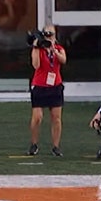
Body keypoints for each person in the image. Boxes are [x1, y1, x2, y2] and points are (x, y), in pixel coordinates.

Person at [28, 25, 67, 156]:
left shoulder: (59, 49)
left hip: (55, 86)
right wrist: (36, 47)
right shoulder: (38, 49)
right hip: (39, 85)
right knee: (37, 117)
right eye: (46, 35)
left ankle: (56, 146)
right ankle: (34, 144)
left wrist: (54, 50)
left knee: (56, 118)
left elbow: (63, 60)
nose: (49, 37)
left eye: (51, 35)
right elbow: (36, 65)